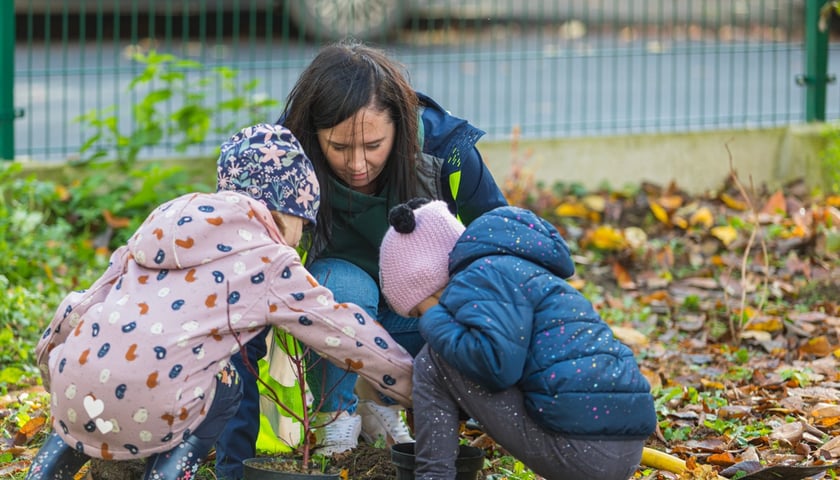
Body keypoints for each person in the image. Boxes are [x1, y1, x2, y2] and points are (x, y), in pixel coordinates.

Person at [26, 124, 413, 480]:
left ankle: (43, 470)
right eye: (304, 225)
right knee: (226, 377)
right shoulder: (269, 258)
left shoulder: (164, 221)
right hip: (156, 407)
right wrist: (416, 385)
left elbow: (78, 306)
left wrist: (51, 368)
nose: (301, 238)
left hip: (74, 391)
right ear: (290, 211)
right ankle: (168, 472)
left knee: (91, 386)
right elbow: (344, 332)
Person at [215, 39, 508, 470]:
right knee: (344, 281)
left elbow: (502, 246)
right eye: (339, 147)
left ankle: (381, 404)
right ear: (313, 134)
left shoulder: (447, 153)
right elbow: (243, 310)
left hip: (422, 318)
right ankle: (336, 421)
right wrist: (233, 465)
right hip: (330, 318)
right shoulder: (281, 167)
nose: (357, 165)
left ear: (401, 126)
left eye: (373, 145)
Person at [378, 198, 658, 480]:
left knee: (433, 360)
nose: (419, 318)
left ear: (430, 281)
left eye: (416, 309)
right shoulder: (515, 270)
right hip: (623, 448)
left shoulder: (481, 277)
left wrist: (434, 320)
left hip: (585, 455)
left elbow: (495, 366)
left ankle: (432, 475)